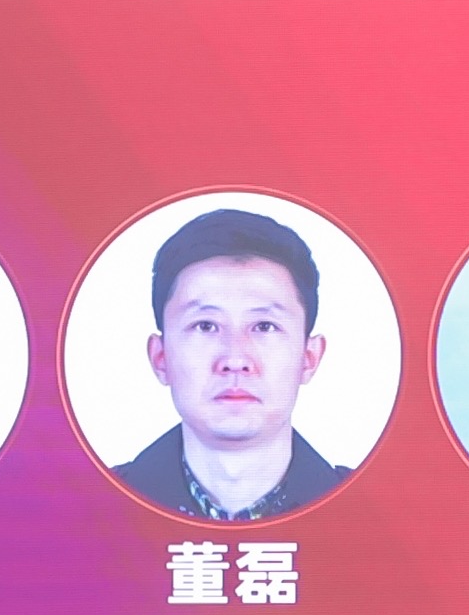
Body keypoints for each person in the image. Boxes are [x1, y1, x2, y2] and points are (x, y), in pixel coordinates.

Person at [110, 209, 352, 520]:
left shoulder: (374, 514)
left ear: (309, 358)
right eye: (205, 326)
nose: (235, 360)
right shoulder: (86, 510)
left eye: (264, 326)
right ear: (161, 358)